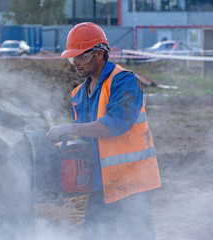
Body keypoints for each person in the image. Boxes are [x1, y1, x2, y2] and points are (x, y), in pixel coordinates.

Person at [46, 22, 161, 240]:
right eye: (72, 59)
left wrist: (68, 128)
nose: (75, 64)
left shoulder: (124, 81)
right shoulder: (78, 94)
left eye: (80, 57)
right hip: (102, 184)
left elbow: (114, 125)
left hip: (132, 182)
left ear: (99, 54)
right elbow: (86, 138)